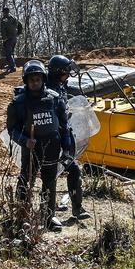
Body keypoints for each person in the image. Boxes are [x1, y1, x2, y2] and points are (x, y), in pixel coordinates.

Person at [7, 60, 71, 235]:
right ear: (26, 81)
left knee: (49, 181)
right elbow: (11, 129)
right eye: (31, 80)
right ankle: (21, 214)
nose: (35, 83)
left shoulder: (54, 98)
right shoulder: (18, 103)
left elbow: (64, 127)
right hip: (31, 147)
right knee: (25, 180)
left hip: (51, 146)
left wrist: (67, 148)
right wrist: (24, 140)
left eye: (38, 79)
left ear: (43, 79)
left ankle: (48, 216)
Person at [46, 54, 90, 221]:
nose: (68, 75)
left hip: (64, 138)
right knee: (49, 177)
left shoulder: (61, 86)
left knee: (74, 170)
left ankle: (77, 209)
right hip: (50, 141)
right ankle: (48, 215)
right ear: (58, 73)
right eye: (65, 72)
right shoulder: (47, 90)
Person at [0, 7, 21, 73]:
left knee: (8, 53)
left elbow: (3, 30)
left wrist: (4, 38)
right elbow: (20, 25)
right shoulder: (14, 18)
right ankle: (10, 65)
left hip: (8, 39)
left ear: (4, 12)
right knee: (11, 52)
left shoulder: (4, 19)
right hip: (14, 38)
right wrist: (18, 33)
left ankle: (12, 67)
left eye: (3, 12)